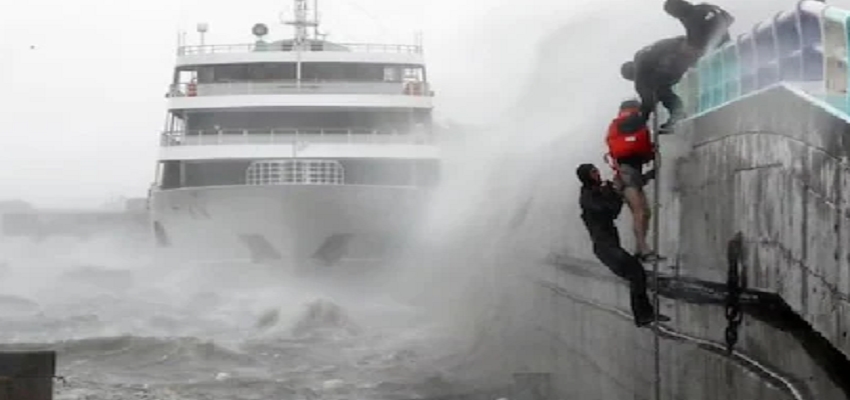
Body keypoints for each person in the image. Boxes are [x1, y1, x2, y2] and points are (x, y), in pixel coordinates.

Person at [576, 163, 670, 327]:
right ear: (586, 176)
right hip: (606, 248)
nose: (597, 173)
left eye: (596, 170)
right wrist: (614, 193)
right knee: (636, 273)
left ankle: (644, 314)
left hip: (609, 247)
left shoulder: (595, 192)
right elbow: (610, 210)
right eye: (593, 172)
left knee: (636, 274)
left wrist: (644, 177)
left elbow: (616, 200)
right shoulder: (588, 197)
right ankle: (643, 315)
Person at [619, 1, 734, 132]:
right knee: (663, 80)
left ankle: (677, 114)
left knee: (660, 87)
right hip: (685, 45)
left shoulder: (641, 68)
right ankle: (679, 110)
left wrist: (641, 119)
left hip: (685, 53)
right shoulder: (703, 7)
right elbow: (729, 19)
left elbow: (647, 98)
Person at [606, 100, 663, 262]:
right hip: (627, 174)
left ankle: (640, 249)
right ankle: (643, 248)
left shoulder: (619, 127)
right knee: (640, 212)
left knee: (645, 212)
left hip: (629, 173)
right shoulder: (632, 122)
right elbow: (637, 151)